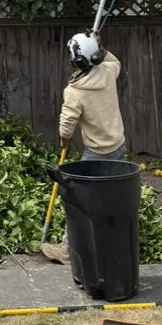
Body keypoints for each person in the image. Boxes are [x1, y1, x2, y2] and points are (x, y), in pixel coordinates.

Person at [41, 29, 126, 264]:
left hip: (97, 153)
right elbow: (114, 61)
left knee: (78, 199)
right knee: (110, 196)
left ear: (75, 61)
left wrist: (64, 140)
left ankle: (68, 249)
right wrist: (101, 46)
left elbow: (67, 122)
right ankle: (110, 240)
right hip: (118, 145)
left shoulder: (75, 91)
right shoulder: (108, 73)